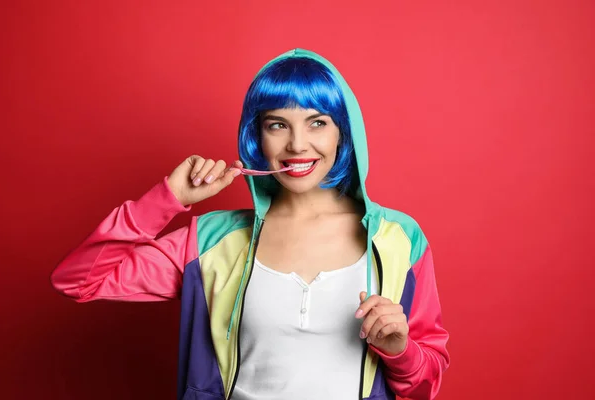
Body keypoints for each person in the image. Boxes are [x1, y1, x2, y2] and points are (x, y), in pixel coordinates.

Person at [51, 48, 450, 400]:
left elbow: (425, 385)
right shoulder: (209, 242)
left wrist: (401, 350)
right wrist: (166, 199)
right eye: (278, 124)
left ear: (342, 133)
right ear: (257, 136)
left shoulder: (397, 239)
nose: (297, 144)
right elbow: (78, 281)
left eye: (317, 122)